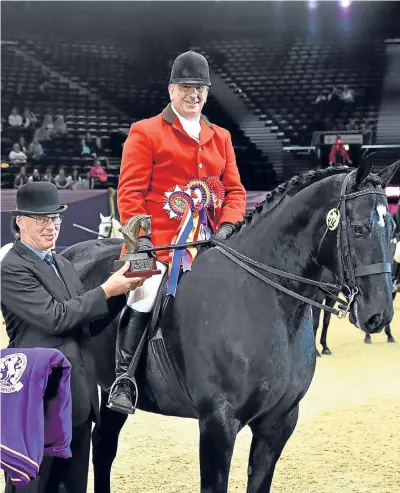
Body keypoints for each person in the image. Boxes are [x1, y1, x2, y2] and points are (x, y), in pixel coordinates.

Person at [108, 50, 247, 414]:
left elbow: (234, 192)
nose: (194, 94)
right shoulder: (145, 131)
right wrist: (143, 241)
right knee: (146, 290)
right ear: (171, 90)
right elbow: (130, 193)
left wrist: (228, 226)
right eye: (186, 87)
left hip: (207, 245)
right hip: (149, 244)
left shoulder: (221, 137)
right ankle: (125, 378)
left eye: (200, 88)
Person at [1, 182, 144, 493]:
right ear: (20, 221)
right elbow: (56, 318)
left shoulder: (64, 265)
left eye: (56, 219)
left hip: (77, 401)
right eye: (42, 220)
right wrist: (108, 289)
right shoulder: (11, 269)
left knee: (72, 487)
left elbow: (84, 322)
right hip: (37, 403)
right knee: (32, 486)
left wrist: (127, 290)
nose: (51, 227)